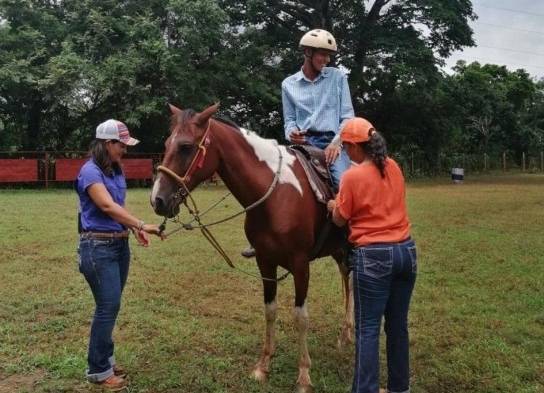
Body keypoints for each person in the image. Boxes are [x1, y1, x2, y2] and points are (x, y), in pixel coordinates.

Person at [241, 28, 354, 258]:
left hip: (331, 143)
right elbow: (290, 121)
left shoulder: (337, 77)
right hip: (301, 145)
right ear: (307, 52)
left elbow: (348, 116)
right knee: (270, 182)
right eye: (322, 53)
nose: (327, 59)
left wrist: (336, 143)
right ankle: (260, 238)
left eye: (329, 55)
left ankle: (352, 241)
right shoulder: (288, 84)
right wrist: (292, 132)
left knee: (345, 183)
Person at [327, 117, 417, 393]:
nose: (344, 152)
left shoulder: (352, 176)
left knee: (367, 329)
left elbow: (341, 219)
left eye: (345, 147)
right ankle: (399, 388)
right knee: (398, 326)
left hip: (374, 257)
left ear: (355, 146)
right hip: (406, 252)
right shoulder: (394, 167)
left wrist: (333, 205)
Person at [76, 119, 164, 391]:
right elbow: (105, 205)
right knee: (107, 307)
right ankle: (98, 370)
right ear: (107, 143)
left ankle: (106, 359)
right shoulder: (90, 172)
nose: (124, 149)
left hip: (118, 246)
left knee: (110, 306)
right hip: (97, 249)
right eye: (121, 145)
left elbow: (118, 207)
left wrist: (131, 230)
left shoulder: (115, 171)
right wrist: (140, 223)